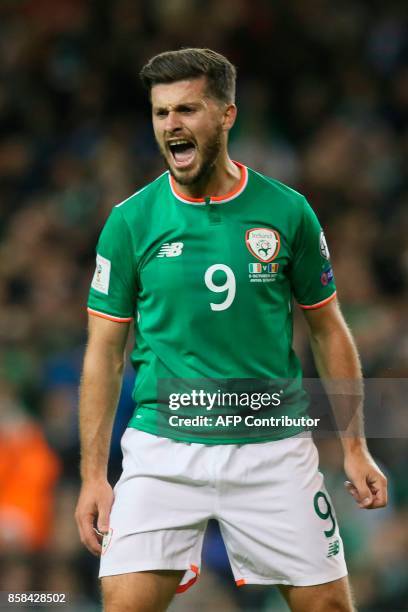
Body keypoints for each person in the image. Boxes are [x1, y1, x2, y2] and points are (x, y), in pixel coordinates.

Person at [75, 48, 387, 612]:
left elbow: (329, 330)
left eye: (188, 109)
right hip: (163, 450)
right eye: (161, 112)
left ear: (226, 115)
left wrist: (355, 448)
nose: (172, 124)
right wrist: (94, 476)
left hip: (271, 445)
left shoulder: (287, 212)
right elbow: (104, 352)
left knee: (331, 608)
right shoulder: (129, 222)